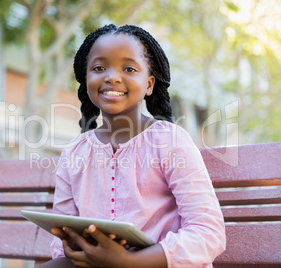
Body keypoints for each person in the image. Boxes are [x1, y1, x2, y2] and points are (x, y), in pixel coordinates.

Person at [40, 24, 226, 268]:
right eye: (99, 68)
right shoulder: (74, 153)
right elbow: (61, 235)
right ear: (86, 79)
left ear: (149, 84)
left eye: (128, 68)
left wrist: (129, 262)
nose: (112, 77)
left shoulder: (169, 141)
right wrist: (75, 245)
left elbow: (208, 233)